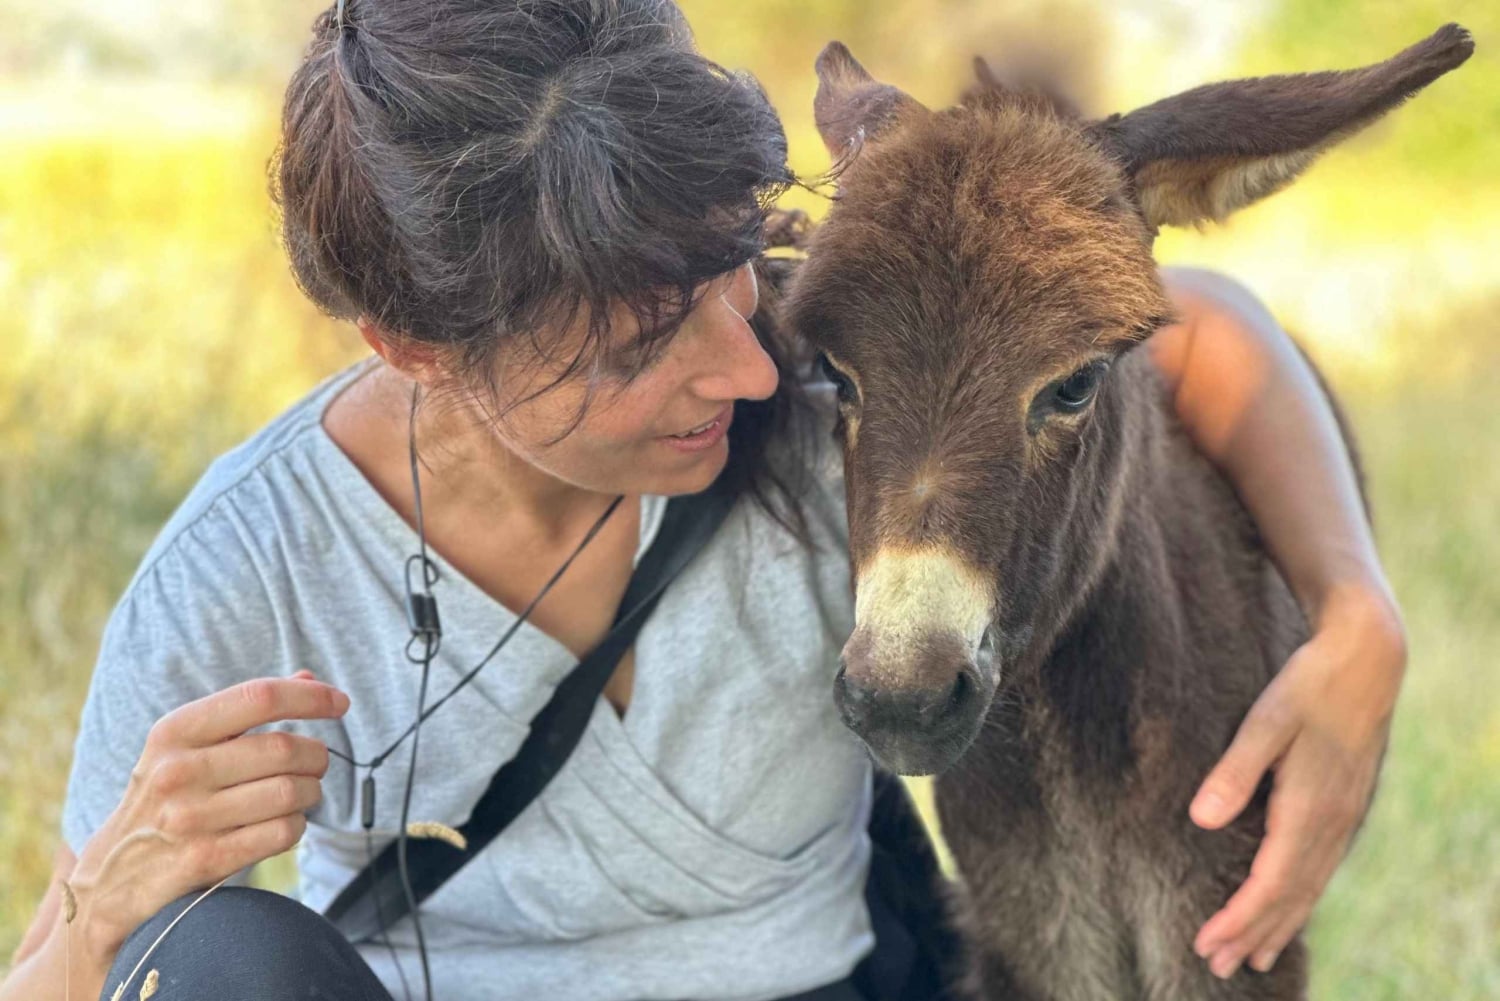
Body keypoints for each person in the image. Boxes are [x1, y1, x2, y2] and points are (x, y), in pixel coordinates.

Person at [1, 1, 1406, 999]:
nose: (745, 363)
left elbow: (1193, 325)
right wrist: (99, 899)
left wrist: (1355, 615)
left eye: (735, 272)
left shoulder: (845, 381)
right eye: (633, 347)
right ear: (421, 354)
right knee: (224, 971)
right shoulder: (249, 568)